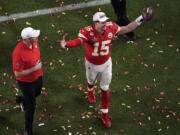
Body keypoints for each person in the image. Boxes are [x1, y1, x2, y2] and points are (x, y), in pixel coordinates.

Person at [60, 8, 153, 128]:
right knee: (90, 81)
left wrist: (141, 18)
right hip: (91, 64)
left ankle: (105, 114)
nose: (104, 24)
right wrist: (67, 44)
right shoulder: (87, 31)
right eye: (102, 22)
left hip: (106, 63)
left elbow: (127, 28)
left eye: (105, 21)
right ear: (96, 23)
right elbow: (79, 41)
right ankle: (90, 91)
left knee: (105, 88)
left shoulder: (111, 27)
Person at [12, 27, 43, 135]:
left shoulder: (34, 43)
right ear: (27, 39)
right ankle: (28, 130)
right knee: (31, 106)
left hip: (38, 76)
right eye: (35, 37)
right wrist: (35, 68)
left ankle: (22, 99)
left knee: (38, 92)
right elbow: (17, 73)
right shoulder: (18, 53)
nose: (37, 38)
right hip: (26, 82)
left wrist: (37, 69)